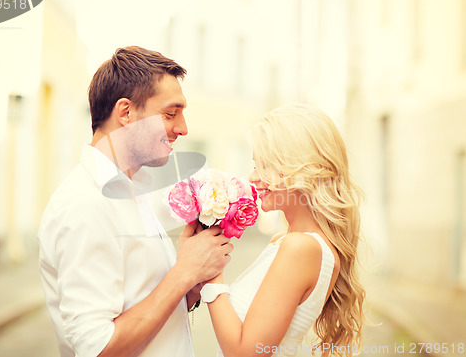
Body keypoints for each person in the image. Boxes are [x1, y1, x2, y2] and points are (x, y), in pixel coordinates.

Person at [38, 46, 233, 357]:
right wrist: (183, 272)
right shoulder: (85, 205)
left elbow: (144, 303)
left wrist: (191, 281)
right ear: (126, 112)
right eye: (170, 113)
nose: (183, 128)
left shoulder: (132, 190)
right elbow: (97, 347)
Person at [200, 104, 365, 357]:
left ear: (300, 167)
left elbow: (245, 354)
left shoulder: (301, 248)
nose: (253, 177)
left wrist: (211, 271)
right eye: (255, 165)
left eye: (264, 166)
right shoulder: (286, 241)